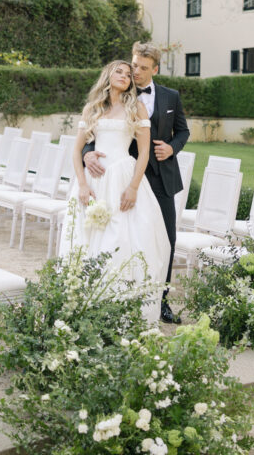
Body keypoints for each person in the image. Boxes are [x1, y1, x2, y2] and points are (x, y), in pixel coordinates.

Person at [83, 42, 190, 323]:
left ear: (155, 69)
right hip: (125, 178)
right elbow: (96, 133)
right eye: (134, 66)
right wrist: (87, 154)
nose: (136, 72)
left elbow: (183, 131)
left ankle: (161, 300)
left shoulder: (171, 97)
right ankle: (121, 297)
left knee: (165, 238)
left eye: (143, 68)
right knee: (124, 237)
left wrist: (172, 148)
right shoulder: (117, 94)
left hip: (161, 177)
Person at [60, 59, 172, 322]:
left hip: (123, 176)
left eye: (128, 74)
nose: (124, 76)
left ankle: (120, 310)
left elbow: (144, 152)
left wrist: (133, 187)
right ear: (108, 75)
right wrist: (83, 184)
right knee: (87, 239)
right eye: (118, 72)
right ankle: (84, 306)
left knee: (122, 238)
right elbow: (76, 150)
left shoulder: (137, 108)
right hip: (95, 181)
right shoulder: (92, 108)